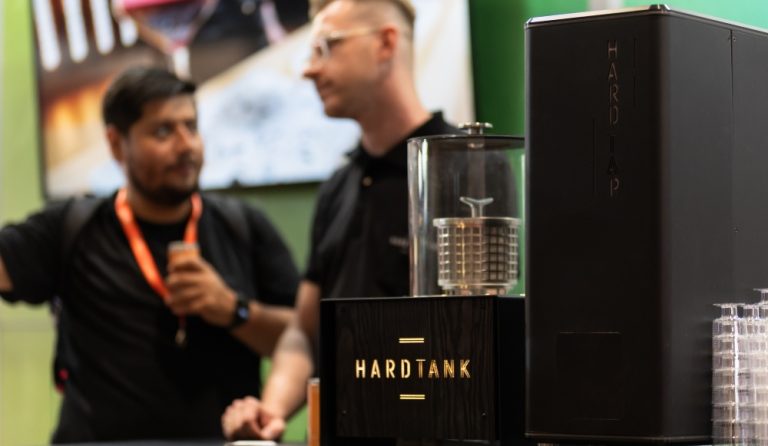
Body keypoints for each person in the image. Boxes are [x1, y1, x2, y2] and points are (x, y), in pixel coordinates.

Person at [0, 67, 299, 443]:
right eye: (163, 131)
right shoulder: (72, 228)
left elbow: (302, 338)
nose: (185, 144)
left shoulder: (244, 225)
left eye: (191, 126)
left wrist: (234, 310)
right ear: (115, 144)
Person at [221, 0, 461, 440]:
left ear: (385, 43)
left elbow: (471, 342)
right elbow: (305, 332)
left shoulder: (463, 166)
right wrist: (269, 412)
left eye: (326, 47)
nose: (309, 70)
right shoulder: (338, 186)